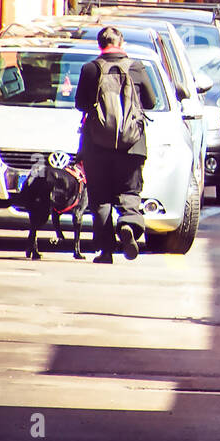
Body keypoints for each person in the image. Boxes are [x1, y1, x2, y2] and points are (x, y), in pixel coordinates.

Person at [74, 26, 157, 264]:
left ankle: (106, 251)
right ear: (122, 43)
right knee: (130, 191)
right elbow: (150, 102)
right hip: (132, 146)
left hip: (96, 146)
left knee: (100, 198)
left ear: (100, 44)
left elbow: (81, 104)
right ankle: (128, 224)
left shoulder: (90, 69)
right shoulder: (137, 67)